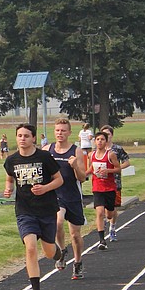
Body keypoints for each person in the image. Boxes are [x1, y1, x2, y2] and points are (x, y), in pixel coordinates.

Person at [3, 124, 66, 290]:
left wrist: (45, 188)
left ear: (33, 139)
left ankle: (58, 252)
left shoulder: (44, 157)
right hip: (25, 210)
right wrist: (8, 189)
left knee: (48, 253)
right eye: (19, 136)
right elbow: (9, 178)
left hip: (46, 209)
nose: (22, 139)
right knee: (30, 247)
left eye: (26, 136)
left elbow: (59, 180)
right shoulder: (11, 160)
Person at [46, 118, 89, 280]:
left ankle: (78, 262)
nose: (60, 133)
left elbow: (83, 177)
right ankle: (62, 250)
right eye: (57, 130)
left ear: (69, 132)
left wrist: (75, 166)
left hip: (72, 196)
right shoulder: (48, 149)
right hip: (55, 196)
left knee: (75, 235)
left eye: (63, 131)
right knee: (57, 222)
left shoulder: (76, 151)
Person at [88, 131, 120, 251]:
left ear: (106, 142)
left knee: (109, 214)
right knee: (100, 212)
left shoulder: (110, 155)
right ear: (95, 141)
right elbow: (91, 168)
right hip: (97, 188)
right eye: (98, 139)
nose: (100, 141)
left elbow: (118, 169)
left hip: (110, 188)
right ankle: (102, 240)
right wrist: (82, 175)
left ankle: (110, 222)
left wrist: (108, 171)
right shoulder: (91, 155)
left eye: (102, 139)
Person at [99, 125, 129, 241]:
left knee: (113, 208)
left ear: (111, 136)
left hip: (115, 182)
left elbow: (127, 162)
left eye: (108, 134)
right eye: (103, 135)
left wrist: (117, 168)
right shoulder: (98, 150)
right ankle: (105, 222)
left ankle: (112, 227)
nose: (106, 137)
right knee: (103, 209)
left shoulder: (117, 149)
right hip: (101, 182)